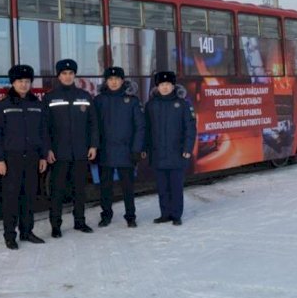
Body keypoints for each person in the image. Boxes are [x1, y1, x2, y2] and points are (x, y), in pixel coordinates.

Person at [0, 64, 48, 250]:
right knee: (11, 198)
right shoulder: (2, 105)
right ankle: (10, 235)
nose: (23, 85)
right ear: (13, 83)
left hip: (32, 157)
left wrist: (43, 156)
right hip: (10, 159)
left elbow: (44, 132)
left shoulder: (37, 105)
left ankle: (27, 231)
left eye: (27, 81)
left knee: (29, 196)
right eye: (20, 81)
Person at [43, 59, 99, 237]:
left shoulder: (85, 96)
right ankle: (56, 225)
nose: (67, 76)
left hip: (81, 152)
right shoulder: (50, 98)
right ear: (59, 76)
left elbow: (93, 124)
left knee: (79, 190)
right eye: (64, 73)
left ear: (75, 75)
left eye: (70, 73)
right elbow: (44, 128)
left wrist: (93, 145)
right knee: (57, 191)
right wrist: (48, 149)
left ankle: (80, 222)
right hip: (59, 153)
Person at [94, 66, 145, 228]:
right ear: (106, 81)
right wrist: (94, 147)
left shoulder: (132, 100)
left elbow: (140, 127)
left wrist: (136, 149)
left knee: (128, 187)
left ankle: (130, 216)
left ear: (122, 81)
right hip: (105, 151)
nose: (114, 82)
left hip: (126, 151)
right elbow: (93, 126)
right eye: (110, 79)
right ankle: (106, 215)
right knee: (105, 188)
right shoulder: (99, 100)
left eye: (117, 79)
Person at [144, 71, 197, 226]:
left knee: (176, 186)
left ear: (173, 86)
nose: (165, 87)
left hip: (177, 153)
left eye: (168, 84)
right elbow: (146, 129)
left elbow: (190, 128)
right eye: (162, 84)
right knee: (162, 187)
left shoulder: (182, 104)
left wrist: (188, 147)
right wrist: (145, 148)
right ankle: (164, 214)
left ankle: (176, 214)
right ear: (157, 86)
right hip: (158, 153)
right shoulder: (151, 105)